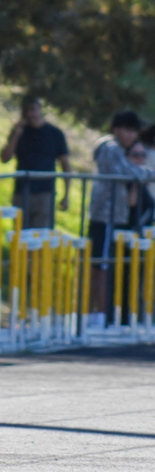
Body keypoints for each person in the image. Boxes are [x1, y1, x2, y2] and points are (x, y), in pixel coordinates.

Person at [87, 111, 155, 325]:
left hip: (110, 213)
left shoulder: (113, 147)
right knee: (103, 266)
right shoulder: (111, 147)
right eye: (129, 130)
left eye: (135, 131)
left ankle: (96, 314)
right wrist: (150, 173)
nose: (132, 135)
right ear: (117, 129)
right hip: (107, 214)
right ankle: (100, 316)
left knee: (100, 265)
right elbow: (128, 172)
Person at [0, 96, 70, 228]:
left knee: (40, 239)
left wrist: (66, 195)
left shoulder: (55, 133)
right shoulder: (19, 132)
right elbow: (5, 158)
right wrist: (16, 134)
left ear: (39, 110)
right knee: (20, 238)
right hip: (21, 192)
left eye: (33, 110)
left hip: (45, 193)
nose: (29, 114)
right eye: (26, 111)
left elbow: (65, 164)